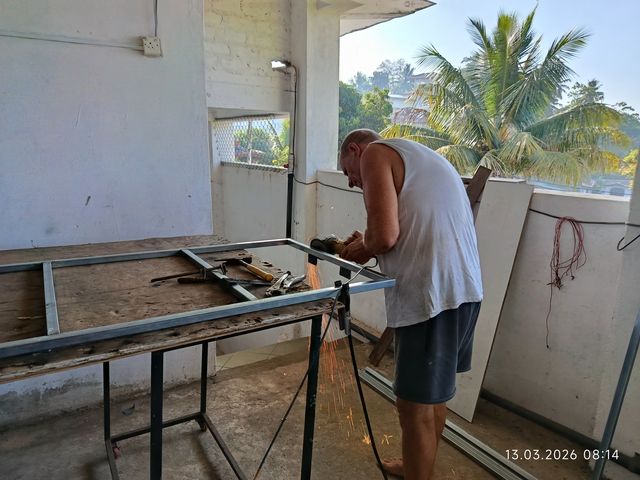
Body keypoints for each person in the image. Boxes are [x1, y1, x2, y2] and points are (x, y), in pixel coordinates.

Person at [338, 129, 483, 479]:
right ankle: (418, 467)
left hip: (433, 298)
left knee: (412, 405)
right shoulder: (419, 156)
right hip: (463, 291)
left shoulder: (375, 153)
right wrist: (368, 240)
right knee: (432, 398)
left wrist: (363, 246)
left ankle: (418, 472)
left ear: (355, 149)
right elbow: (405, 227)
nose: (351, 182)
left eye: (347, 172)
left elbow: (385, 236)